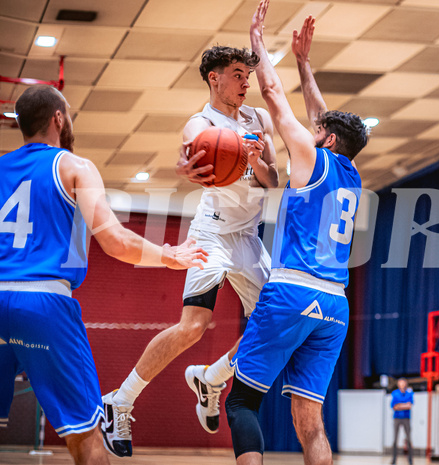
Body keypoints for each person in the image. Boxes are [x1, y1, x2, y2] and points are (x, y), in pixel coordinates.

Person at [0, 85, 207, 465]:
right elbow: (113, 240)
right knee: (85, 435)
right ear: (57, 119)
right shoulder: (73, 166)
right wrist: (167, 255)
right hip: (44, 300)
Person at [102, 43, 279, 456]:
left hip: (249, 236)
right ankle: (120, 400)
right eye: (237, 74)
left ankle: (212, 377)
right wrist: (186, 170)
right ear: (214, 78)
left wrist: (256, 161)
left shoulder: (259, 118)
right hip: (213, 233)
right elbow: (193, 166)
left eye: (248, 75)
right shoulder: (199, 124)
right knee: (193, 327)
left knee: (273, 327)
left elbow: (274, 183)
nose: (245, 82)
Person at [224, 2, 367, 464]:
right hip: (335, 305)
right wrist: (305, 65)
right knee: (310, 422)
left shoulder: (311, 157)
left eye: (317, 129)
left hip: (292, 290)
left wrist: (259, 43)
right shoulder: (350, 174)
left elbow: (270, 92)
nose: (311, 126)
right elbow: (322, 117)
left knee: (242, 401)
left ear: (323, 139)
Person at [391, 378, 414, 465]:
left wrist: (399, 405)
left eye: (403, 383)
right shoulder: (395, 393)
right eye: (400, 384)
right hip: (397, 418)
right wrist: (404, 405)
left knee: (408, 439)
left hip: (406, 418)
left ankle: (410, 460)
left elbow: (409, 406)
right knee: (395, 440)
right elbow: (394, 406)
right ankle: (394, 460)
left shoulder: (409, 393)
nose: (402, 385)